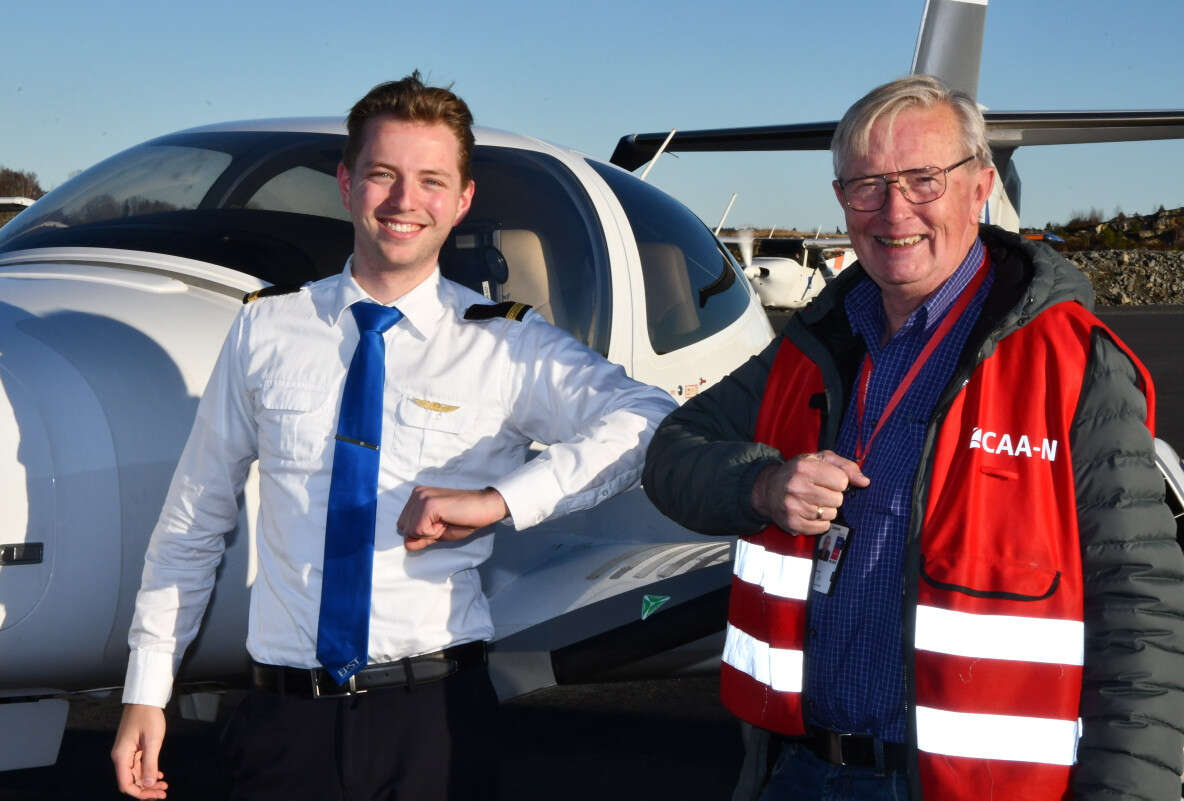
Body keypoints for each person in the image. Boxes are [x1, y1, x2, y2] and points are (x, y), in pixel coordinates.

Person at [110, 72, 676, 801]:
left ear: (462, 200)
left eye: (431, 180)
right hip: (283, 722)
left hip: (434, 722)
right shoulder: (265, 328)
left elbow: (648, 419)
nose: (405, 201)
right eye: (383, 174)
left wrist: (499, 500)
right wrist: (146, 691)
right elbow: (194, 518)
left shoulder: (506, 345)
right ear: (347, 184)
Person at [642, 74, 1184, 801]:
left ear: (979, 187)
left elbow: (1141, 613)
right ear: (840, 198)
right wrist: (760, 485)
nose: (894, 211)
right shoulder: (814, 346)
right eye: (866, 185)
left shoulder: (1075, 367)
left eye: (924, 180)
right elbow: (672, 453)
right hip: (800, 770)